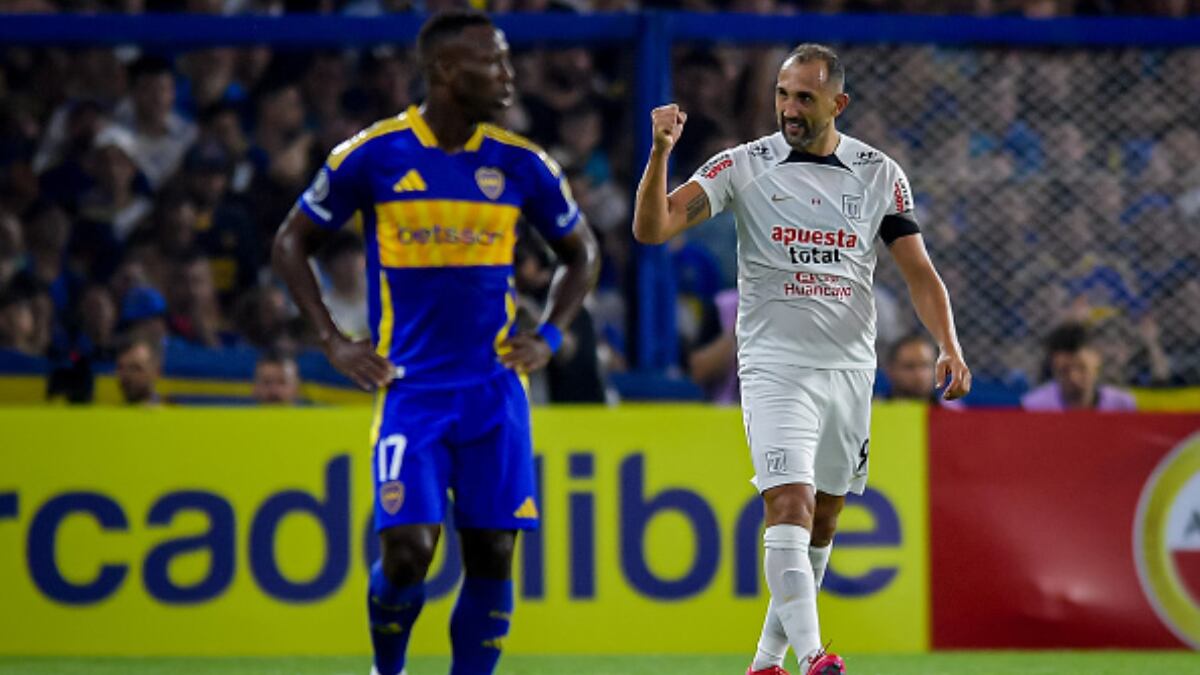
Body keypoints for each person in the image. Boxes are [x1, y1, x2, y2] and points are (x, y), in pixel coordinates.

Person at [271, 10, 599, 675]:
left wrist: (551, 333)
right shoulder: (373, 155)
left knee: (492, 554)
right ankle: (385, 669)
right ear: (448, 71)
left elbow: (582, 251)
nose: (511, 74)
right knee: (408, 551)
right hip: (412, 392)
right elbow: (290, 242)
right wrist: (333, 341)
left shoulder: (522, 165)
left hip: (494, 392)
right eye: (495, 62)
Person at [633, 44, 970, 675]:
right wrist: (658, 154)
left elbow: (919, 272)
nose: (789, 108)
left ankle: (765, 661)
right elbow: (653, 228)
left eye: (804, 98)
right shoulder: (743, 165)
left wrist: (948, 342)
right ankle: (815, 656)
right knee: (788, 501)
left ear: (837, 103)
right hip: (774, 365)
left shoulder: (878, 173)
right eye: (783, 95)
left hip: (848, 368)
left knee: (826, 514)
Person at [1020, 321, 1136, 411]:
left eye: (1082, 368)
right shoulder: (1034, 407)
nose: (1073, 377)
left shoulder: (1121, 405)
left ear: (1097, 361)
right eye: (1064, 370)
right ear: (1052, 367)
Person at [880, 333, 965, 409]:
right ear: (890, 370)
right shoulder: (874, 411)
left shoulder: (952, 411)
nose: (919, 374)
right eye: (909, 367)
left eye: (925, 365)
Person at [114, 333, 163, 405]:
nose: (126, 375)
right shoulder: (108, 413)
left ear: (156, 372)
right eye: (120, 368)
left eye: (135, 368)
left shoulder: (172, 414)